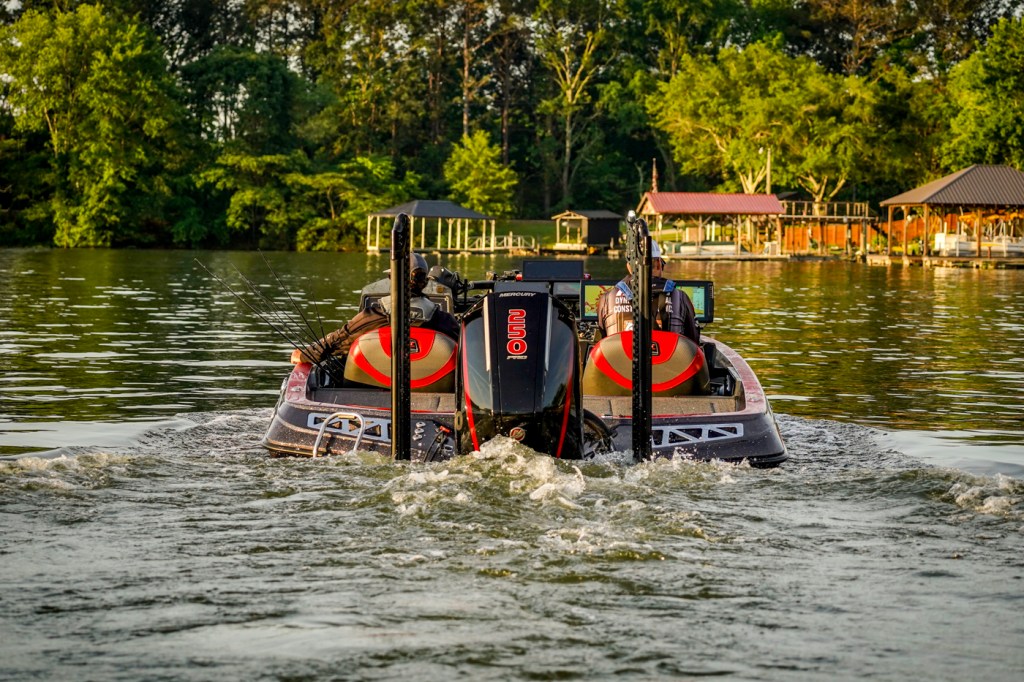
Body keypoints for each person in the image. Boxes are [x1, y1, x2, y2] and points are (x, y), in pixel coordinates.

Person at [298, 253, 459, 363]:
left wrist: (305, 355)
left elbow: (338, 340)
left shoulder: (372, 316)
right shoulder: (445, 321)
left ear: (392, 278)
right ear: (425, 282)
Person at [595, 240, 700, 343]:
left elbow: (603, 340)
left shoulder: (607, 299)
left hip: (618, 355)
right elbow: (694, 340)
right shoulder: (680, 298)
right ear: (659, 264)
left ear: (629, 267)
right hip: (670, 355)